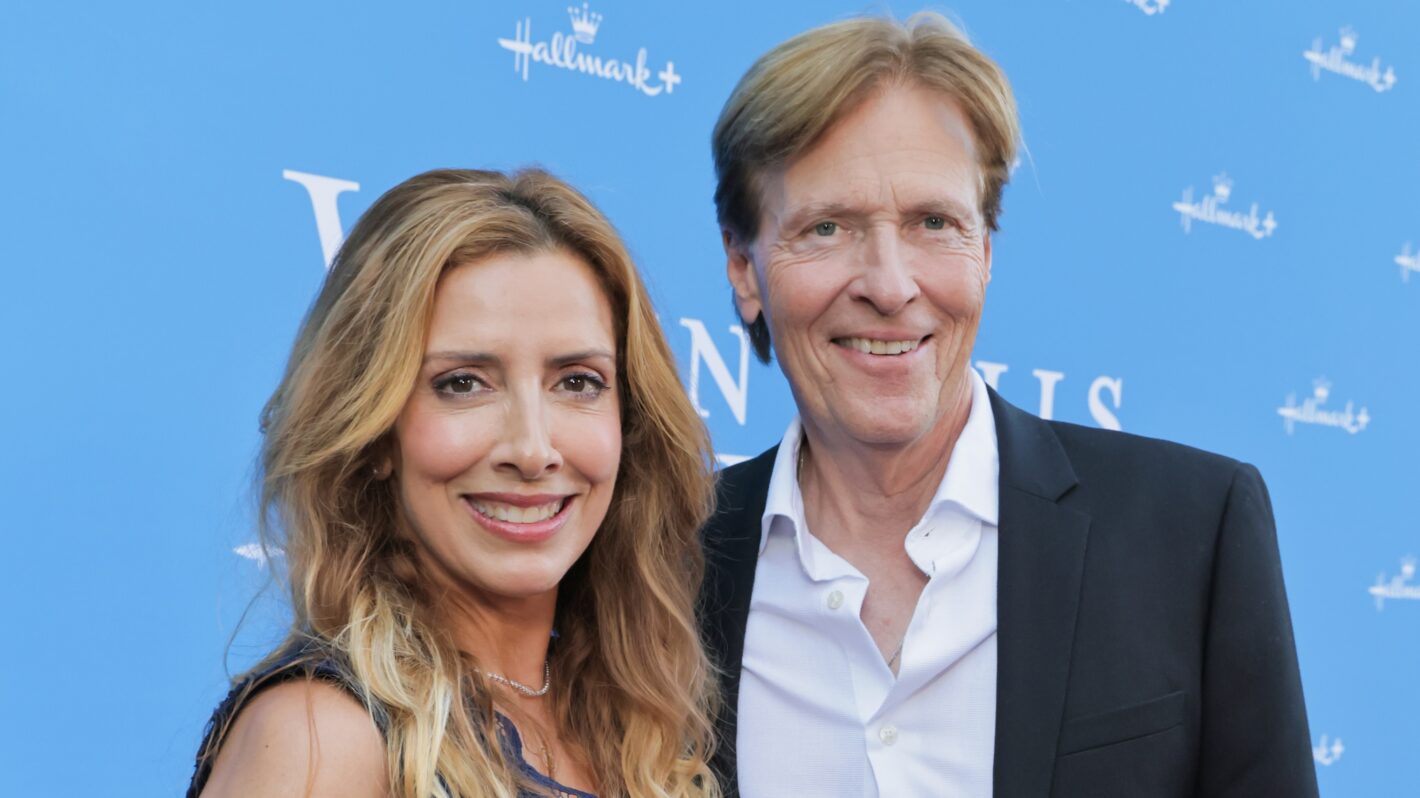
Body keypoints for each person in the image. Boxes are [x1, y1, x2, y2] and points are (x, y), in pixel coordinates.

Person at [699, 13, 1318, 798]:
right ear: (743, 268)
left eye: (934, 223)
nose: (889, 285)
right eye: (827, 228)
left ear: (986, 250)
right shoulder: (666, 567)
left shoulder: (1192, 531)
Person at [189, 169, 719, 798]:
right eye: (463, 383)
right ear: (376, 433)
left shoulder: (631, 728)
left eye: (577, 381)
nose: (532, 450)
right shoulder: (320, 737)